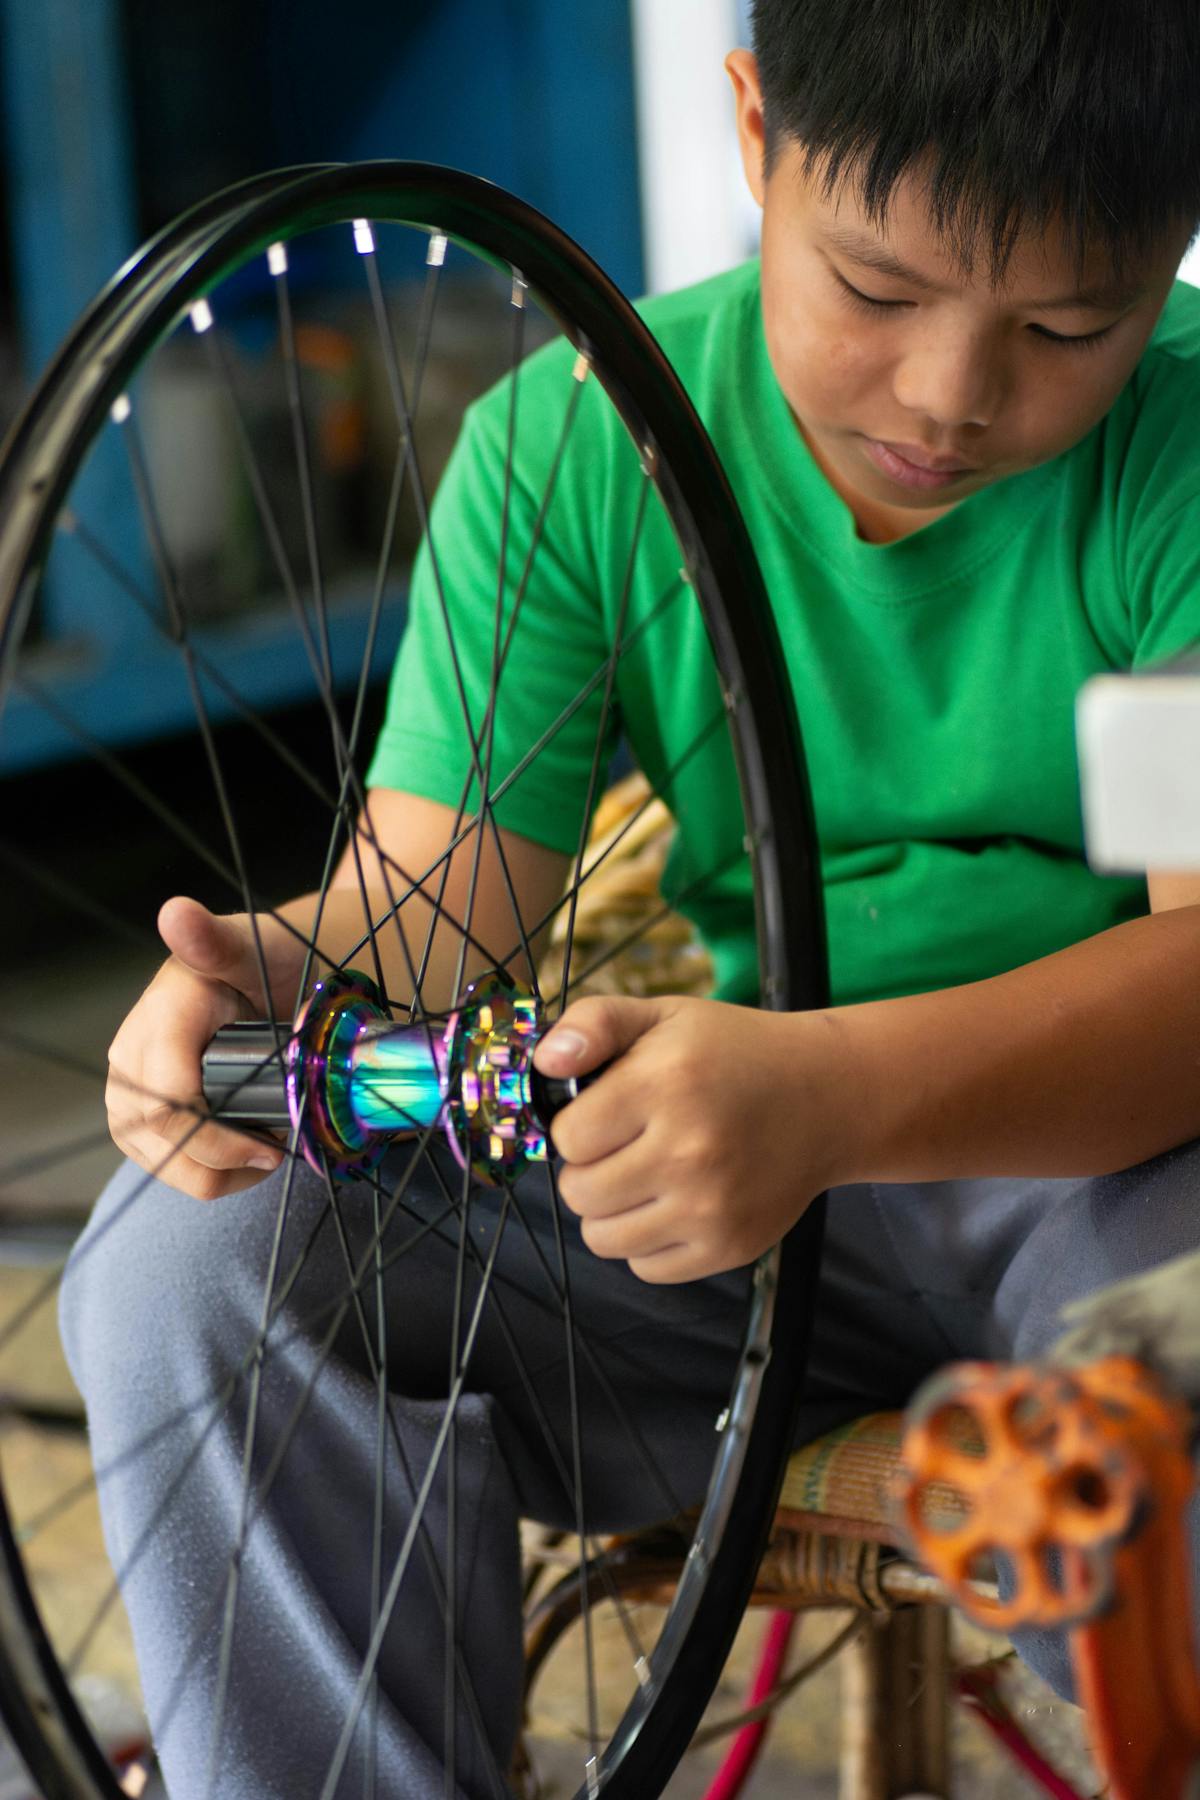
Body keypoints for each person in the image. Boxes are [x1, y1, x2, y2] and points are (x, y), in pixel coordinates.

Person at [62, 0, 1200, 1794]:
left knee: (1168, 1470)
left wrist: (827, 1096)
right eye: (882, 289)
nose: (953, 393)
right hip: (690, 1204)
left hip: (1111, 1183)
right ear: (755, 134)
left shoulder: (1186, 461)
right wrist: (258, 980)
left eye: (1069, 324)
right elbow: (442, 907)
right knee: (178, 1270)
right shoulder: (574, 445)